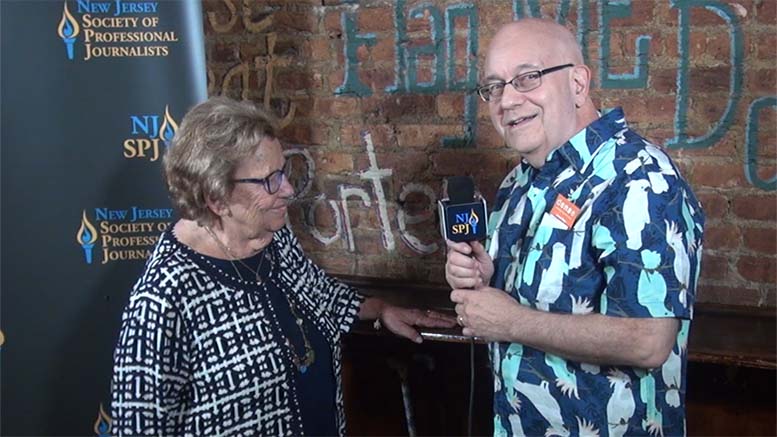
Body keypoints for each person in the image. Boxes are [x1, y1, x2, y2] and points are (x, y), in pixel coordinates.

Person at [110, 96, 454, 436]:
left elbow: (319, 294)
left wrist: (381, 309)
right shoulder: (163, 299)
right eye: (269, 180)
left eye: (283, 172)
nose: (288, 189)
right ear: (215, 197)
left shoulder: (271, 236)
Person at [446, 19, 704, 436]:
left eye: (527, 78)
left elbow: (649, 340)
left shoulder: (639, 178)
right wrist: (482, 275)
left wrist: (512, 322)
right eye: (494, 86)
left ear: (579, 84)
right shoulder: (518, 182)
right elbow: (535, 292)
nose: (506, 100)